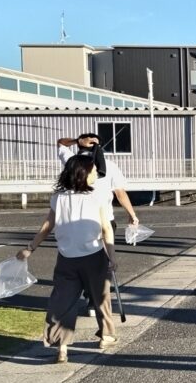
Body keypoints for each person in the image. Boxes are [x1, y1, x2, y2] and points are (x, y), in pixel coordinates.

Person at [17, 155, 119, 363]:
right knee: (101, 298)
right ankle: (106, 336)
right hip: (94, 256)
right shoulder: (96, 196)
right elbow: (106, 228)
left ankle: (62, 347)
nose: (96, 174)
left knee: (62, 301)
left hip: (66, 258)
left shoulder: (58, 198)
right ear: (83, 173)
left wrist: (30, 248)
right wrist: (112, 256)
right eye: (92, 171)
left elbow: (47, 226)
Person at [58, 133, 138, 317]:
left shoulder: (72, 162)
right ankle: (96, 301)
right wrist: (132, 214)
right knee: (102, 263)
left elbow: (61, 143)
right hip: (104, 219)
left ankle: (91, 299)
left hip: (78, 221)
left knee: (83, 261)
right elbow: (120, 193)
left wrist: (76, 141)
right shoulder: (108, 165)